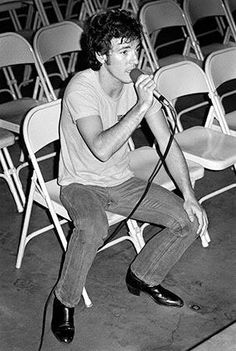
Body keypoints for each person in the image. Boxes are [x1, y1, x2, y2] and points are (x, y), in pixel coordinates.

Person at [51, 9, 208, 344]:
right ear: (99, 55)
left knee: (188, 220)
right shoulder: (81, 88)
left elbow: (167, 141)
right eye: (124, 52)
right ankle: (65, 300)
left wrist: (190, 195)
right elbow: (101, 148)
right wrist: (140, 106)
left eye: (136, 49)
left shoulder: (135, 84)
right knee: (93, 226)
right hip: (80, 183)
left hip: (121, 180)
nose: (134, 59)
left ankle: (143, 276)